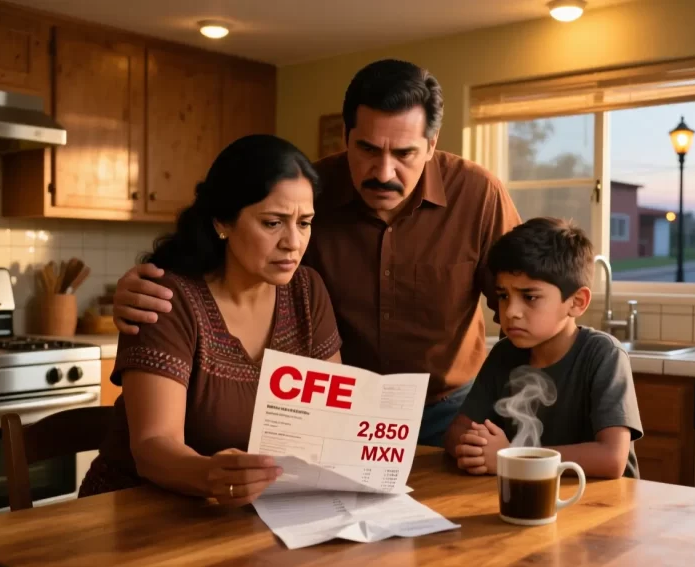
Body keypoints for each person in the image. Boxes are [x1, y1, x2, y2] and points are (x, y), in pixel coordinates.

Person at [108, 59, 521, 447]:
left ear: (431, 145)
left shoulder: (480, 195)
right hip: (334, 415)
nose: (383, 172)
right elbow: (231, 259)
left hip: (446, 413)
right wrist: (150, 280)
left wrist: (498, 409)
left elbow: (522, 306)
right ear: (346, 138)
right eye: (367, 149)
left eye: (404, 153)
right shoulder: (306, 192)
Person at [78, 134, 342, 506]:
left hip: (248, 516)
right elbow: (153, 446)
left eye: (305, 223)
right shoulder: (164, 297)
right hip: (133, 515)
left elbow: (332, 415)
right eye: (272, 223)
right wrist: (210, 475)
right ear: (222, 221)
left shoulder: (307, 291)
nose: (293, 242)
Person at [445, 217, 643, 479]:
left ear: (576, 302)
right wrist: (475, 447)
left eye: (530, 297)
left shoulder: (603, 355)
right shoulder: (504, 354)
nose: (511, 312)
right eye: (503, 295)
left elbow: (611, 459)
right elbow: (455, 433)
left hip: (603, 507)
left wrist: (512, 458)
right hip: (527, 500)